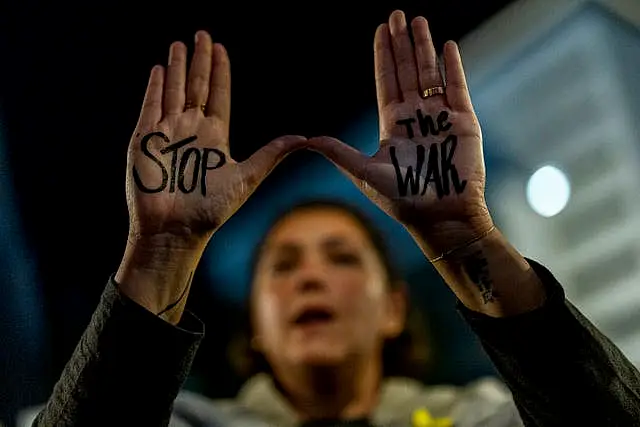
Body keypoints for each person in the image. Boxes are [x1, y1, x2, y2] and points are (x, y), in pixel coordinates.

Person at [32, 9, 640, 427]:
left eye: (343, 257)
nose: (311, 278)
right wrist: (161, 251)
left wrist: (464, 233)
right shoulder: (183, 420)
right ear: (258, 326)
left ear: (394, 308)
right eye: (284, 266)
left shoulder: (481, 415)